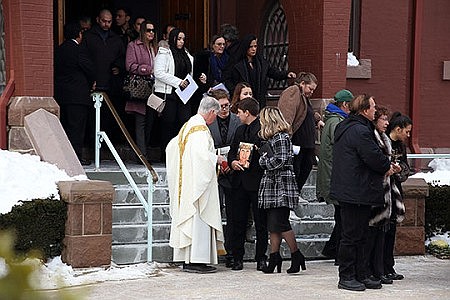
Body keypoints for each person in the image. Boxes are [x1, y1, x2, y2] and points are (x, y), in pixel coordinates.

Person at [330, 94, 398, 291]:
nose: (375, 111)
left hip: (354, 189)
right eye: (373, 107)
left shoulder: (349, 126)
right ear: (364, 110)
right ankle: (347, 276)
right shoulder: (360, 130)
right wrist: (387, 165)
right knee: (352, 236)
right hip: (355, 190)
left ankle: (360, 274)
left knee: (360, 234)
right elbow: (374, 157)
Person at [166, 96, 226, 273]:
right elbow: (201, 156)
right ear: (212, 112)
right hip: (197, 188)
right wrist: (217, 158)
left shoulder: (188, 126)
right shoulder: (199, 130)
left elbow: (171, 148)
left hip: (188, 183)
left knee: (193, 219)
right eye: (216, 115)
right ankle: (195, 260)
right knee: (199, 218)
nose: (215, 119)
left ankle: (190, 260)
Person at [258, 106, 305, 274]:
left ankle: (296, 255)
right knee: (273, 225)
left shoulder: (281, 138)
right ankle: (274, 257)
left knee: (281, 223)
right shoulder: (273, 139)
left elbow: (281, 161)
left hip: (281, 186)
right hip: (273, 186)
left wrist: (263, 162)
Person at [228, 97, 268, 271]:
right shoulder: (239, 130)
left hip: (257, 181)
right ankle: (237, 257)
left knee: (261, 223)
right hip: (239, 182)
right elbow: (232, 152)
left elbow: (267, 155)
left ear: (247, 112)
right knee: (238, 221)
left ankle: (261, 257)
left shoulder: (263, 130)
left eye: (239, 112)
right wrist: (232, 163)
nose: (237, 115)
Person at [154, 28, 206, 158]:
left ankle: (182, 153)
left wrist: (199, 79)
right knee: (168, 123)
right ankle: (166, 154)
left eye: (183, 39)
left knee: (184, 121)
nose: (181, 42)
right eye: (179, 39)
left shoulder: (187, 55)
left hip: (184, 94)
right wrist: (178, 82)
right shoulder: (164, 53)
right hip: (170, 93)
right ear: (173, 39)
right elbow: (159, 72)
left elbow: (190, 74)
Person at [364, 106, 400, 285]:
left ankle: (379, 270)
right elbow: (373, 162)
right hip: (375, 191)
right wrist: (386, 169)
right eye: (383, 119)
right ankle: (371, 270)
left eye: (387, 119)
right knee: (372, 233)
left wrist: (392, 168)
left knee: (381, 233)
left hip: (386, 190)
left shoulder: (384, 138)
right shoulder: (371, 137)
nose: (387, 123)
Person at [317, 89, 353, 263]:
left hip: (331, 176)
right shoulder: (338, 123)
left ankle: (331, 249)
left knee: (341, 217)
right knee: (342, 218)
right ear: (344, 105)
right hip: (336, 178)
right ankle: (337, 252)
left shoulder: (331, 120)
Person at [207, 88, 241, 267]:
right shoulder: (208, 123)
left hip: (232, 171)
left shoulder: (236, 120)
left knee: (233, 213)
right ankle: (213, 249)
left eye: (227, 105)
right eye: (221, 106)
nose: (225, 109)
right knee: (215, 211)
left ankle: (231, 251)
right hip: (213, 171)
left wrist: (230, 162)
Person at [82, 9, 126, 144]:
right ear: (97, 20)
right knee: (91, 117)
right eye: (104, 21)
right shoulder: (88, 37)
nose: (107, 24)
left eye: (109, 21)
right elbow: (83, 58)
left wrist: (118, 67)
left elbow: (122, 57)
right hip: (93, 82)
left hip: (110, 83)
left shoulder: (116, 39)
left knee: (109, 116)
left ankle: (107, 145)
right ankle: (90, 145)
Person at [278, 72, 322, 203]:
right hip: (297, 141)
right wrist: (286, 135)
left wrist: (317, 120)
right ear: (302, 83)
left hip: (306, 143)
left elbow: (306, 112)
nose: (311, 92)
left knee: (307, 166)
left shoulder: (303, 95)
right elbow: (287, 114)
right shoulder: (293, 92)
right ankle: (292, 196)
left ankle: (296, 193)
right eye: (310, 88)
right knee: (296, 168)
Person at [54, 21, 94, 165]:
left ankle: (63, 157)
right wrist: (93, 81)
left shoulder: (58, 50)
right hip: (77, 96)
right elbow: (88, 68)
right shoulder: (79, 50)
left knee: (64, 127)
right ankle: (75, 158)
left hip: (61, 95)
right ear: (79, 34)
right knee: (76, 129)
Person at [226, 34, 296, 109]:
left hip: (259, 98)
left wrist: (286, 74)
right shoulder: (236, 63)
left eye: (255, 46)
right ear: (245, 47)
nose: (253, 49)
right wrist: (236, 92)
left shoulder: (260, 62)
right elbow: (228, 79)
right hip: (243, 98)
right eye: (251, 47)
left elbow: (272, 72)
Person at [384, 112, 411, 281]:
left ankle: (389, 266)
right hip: (384, 190)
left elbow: (406, 168)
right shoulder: (385, 142)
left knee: (392, 230)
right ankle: (380, 267)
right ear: (398, 129)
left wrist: (400, 171)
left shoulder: (401, 146)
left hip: (396, 190)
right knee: (382, 232)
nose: (408, 135)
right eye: (406, 131)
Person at [124, 20, 158, 159]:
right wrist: (147, 69)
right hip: (140, 88)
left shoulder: (155, 48)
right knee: (141, 121)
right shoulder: (133, 45)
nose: (151, 33)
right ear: (142, 31)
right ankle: (141, 155)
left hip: (154, 89)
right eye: (148, 30)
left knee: (151, 121)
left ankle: (145, 151)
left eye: (153, 30)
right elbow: (129, 65)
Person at [192, 35, 229, 113]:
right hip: (208, 92)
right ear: (213, 45)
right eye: (219, 44)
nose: (222, 46)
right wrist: (206, 86)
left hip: (223, 91)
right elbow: (198, 76)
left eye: (223, 44)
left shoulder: (227, 58)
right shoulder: (204, 57)